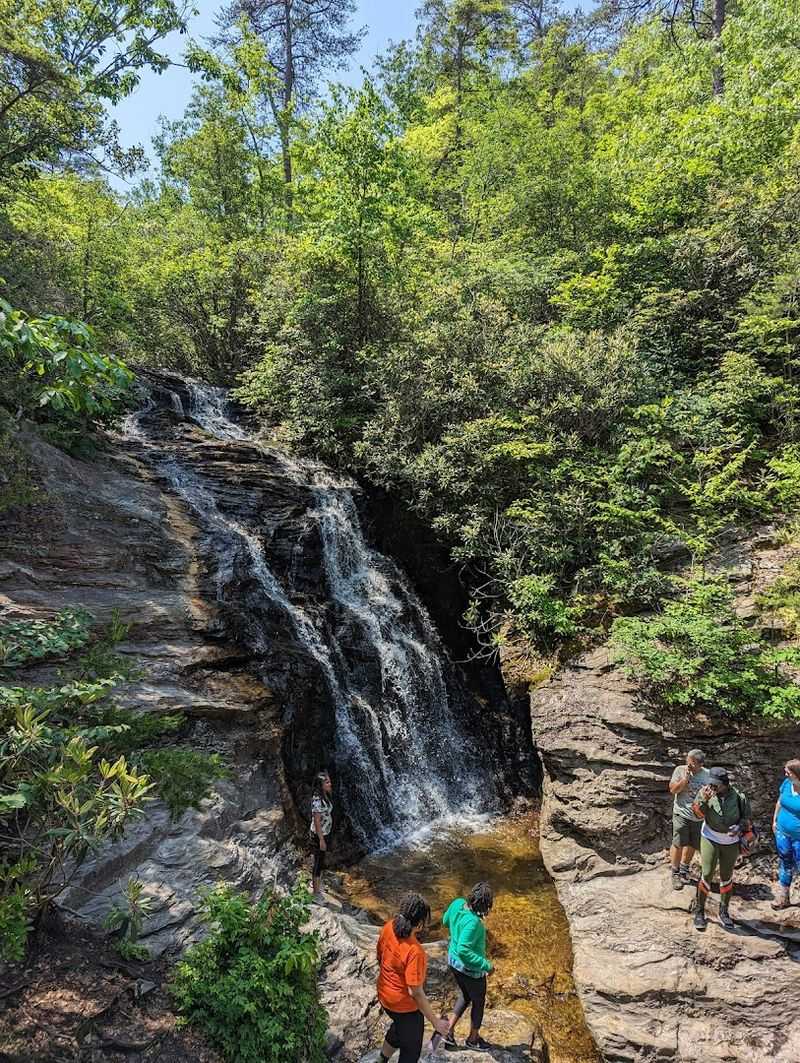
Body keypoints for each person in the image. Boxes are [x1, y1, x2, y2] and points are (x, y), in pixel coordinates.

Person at [376, 893, 449, 1063]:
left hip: (384, 996)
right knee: (411, 1051)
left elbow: (380, 957)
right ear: (420, 924)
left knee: (400, 1028)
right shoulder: (415, 951)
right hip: (403, 1006)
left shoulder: (388, 927)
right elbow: (415, 992)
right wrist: (436, 1022)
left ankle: (381, 1060)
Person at [431, 882, 494, 1054]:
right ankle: (473, 1040)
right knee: (479, 1003)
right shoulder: (474, 923)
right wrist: (486, 966)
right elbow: (464, 950)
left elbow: (445, 921)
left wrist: (455, 928)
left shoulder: (457, 903)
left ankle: (447, 1031)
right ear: (484, 906)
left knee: (466, 995)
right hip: (470, 970)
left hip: (453, 962)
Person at [691, 767, 752, 931]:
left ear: (724, 784)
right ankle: (699, 911)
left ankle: (723, 911)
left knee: (727, 876)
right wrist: (703, 799)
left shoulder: (739, 797)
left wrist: (739, 827)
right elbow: (697, 814)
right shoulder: (705, 792)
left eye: (715, 784)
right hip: (710, 836)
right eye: (710, 782)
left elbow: (746, 819)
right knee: (707, 873)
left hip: (730, 841)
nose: (711, 786)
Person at [668, 749, 712, 890]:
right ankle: (675, 873)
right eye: (688, 761)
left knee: (693, 844)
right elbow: (673, 790)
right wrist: (685, 780)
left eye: (692, 763)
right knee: (678, 842)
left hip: (698, 817)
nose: (689, 765)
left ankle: (684, 869)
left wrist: (708, 796)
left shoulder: (707, 774)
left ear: (700, 764)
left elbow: (712, 796)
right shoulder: (680, 770)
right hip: (681, 813)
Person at [771, 758, 800, 910]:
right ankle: (783, 897)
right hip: (783, 832)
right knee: (785, 862)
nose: (785, 774)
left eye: (788, 773)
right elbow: (780, 801)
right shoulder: (787, 784)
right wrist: (775, 820)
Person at [309, 771, 333, 901]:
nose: (330, 783)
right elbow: (317, 822)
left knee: (321, 861)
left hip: (325, 833)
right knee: (318, 863)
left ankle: (318, 886)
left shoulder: (325, 796)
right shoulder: (317, 800)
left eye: (329, 781)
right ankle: (316, 894)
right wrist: (321, 840)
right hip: (319, 836)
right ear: (321, 785)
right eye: (327, 782)